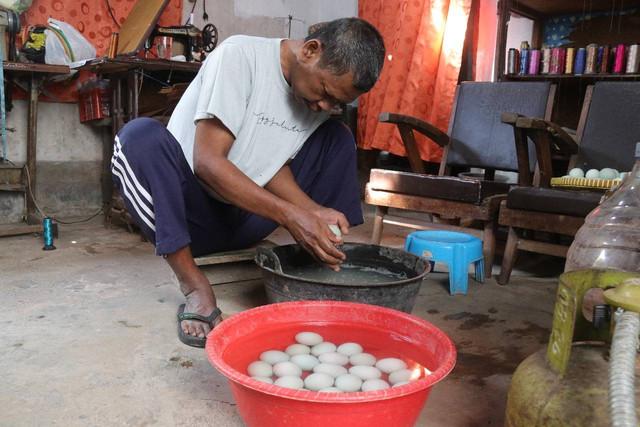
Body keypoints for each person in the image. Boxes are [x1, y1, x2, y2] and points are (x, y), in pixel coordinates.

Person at [110, 17, 385, 347]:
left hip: (245, 222)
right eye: (325, 92)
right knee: (139, 137)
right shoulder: (240, 57)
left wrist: (312, 211)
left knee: (337, 137)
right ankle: (194, 285)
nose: (325, 105)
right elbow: (208, 164)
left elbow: (270, 164)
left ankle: (325, 264)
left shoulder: (313, 96)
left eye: (336, 101)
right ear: (311, 51)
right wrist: (290, 216)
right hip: (187, 219)